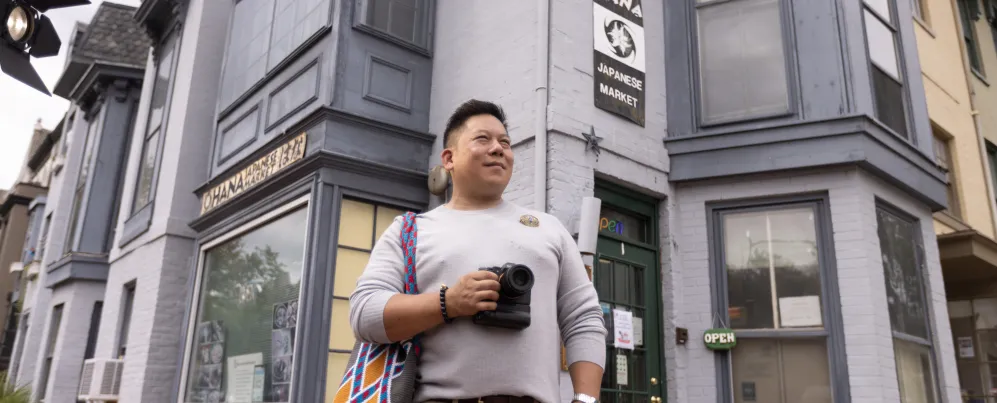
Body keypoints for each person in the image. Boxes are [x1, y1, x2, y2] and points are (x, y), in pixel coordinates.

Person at [349, 99, 606, 403]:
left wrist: (586, 399)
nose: (498, 149)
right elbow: (364, 314)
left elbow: (584, 318)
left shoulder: (549, 229)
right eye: (482, 139)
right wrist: (448, 303)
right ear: (449, 158)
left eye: (505, 142)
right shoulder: (411, 231)